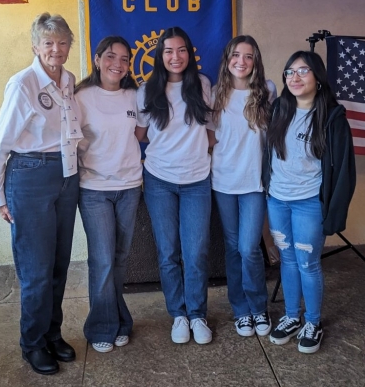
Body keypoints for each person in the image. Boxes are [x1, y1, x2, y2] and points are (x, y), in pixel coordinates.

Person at [0, 13, 83, 375]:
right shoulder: (23, 83)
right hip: (29, 176)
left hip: (65, 174)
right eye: (48, 43)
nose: (56, 49)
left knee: (59, 265)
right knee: (36, 270)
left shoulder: (69, 80)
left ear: (69, 46)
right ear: (35, 46)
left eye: (62, 43)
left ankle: (52, 333)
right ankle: (32, 343)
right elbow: (1, 144)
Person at [264, 51, 356, 354]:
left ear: (318, 77)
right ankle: (292, 316)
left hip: (309, 204)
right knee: (287, 260)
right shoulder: (279, 108)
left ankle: (313, 322)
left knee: (307, 263)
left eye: (303, 71)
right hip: (278, 200)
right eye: (290, 72)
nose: (295, 78)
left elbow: (344, 170)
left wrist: (334, 214)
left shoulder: (331, 116)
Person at [135, 27, 213, 345]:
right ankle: (178, 314)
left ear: (189, 54)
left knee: (195, 254)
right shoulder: (146, 91)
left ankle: (197, 315)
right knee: (168, 253)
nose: (175, 56)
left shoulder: (203, 85)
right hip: (159, 181)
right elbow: (138, 136)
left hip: (197, 181)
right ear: (160, 55)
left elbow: (211, 133)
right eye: (168, 51)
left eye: (181, 50)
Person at [75, 36, 142, 353]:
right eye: (111, 56)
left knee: (119, 259)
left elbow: (140, 134)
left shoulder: (134, 95)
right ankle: (101, 327)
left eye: (125, 59)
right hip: (94, 190)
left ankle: (119, 322)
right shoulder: (82, 96)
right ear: (98, 59)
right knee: (102, 260)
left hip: (129, 187)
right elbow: (71, 140)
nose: (118, 63)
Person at [207, 35, 276, 338]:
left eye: (249, 56)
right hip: (223, 181)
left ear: (255, 62)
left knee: (249, 248)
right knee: (234, 248)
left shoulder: (267, 91)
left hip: (253, 183)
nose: (242, 61)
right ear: (228, 59)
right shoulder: (214, 95)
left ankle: (259, 307)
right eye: (236, 55)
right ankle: (241, 310)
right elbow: (209, 139)